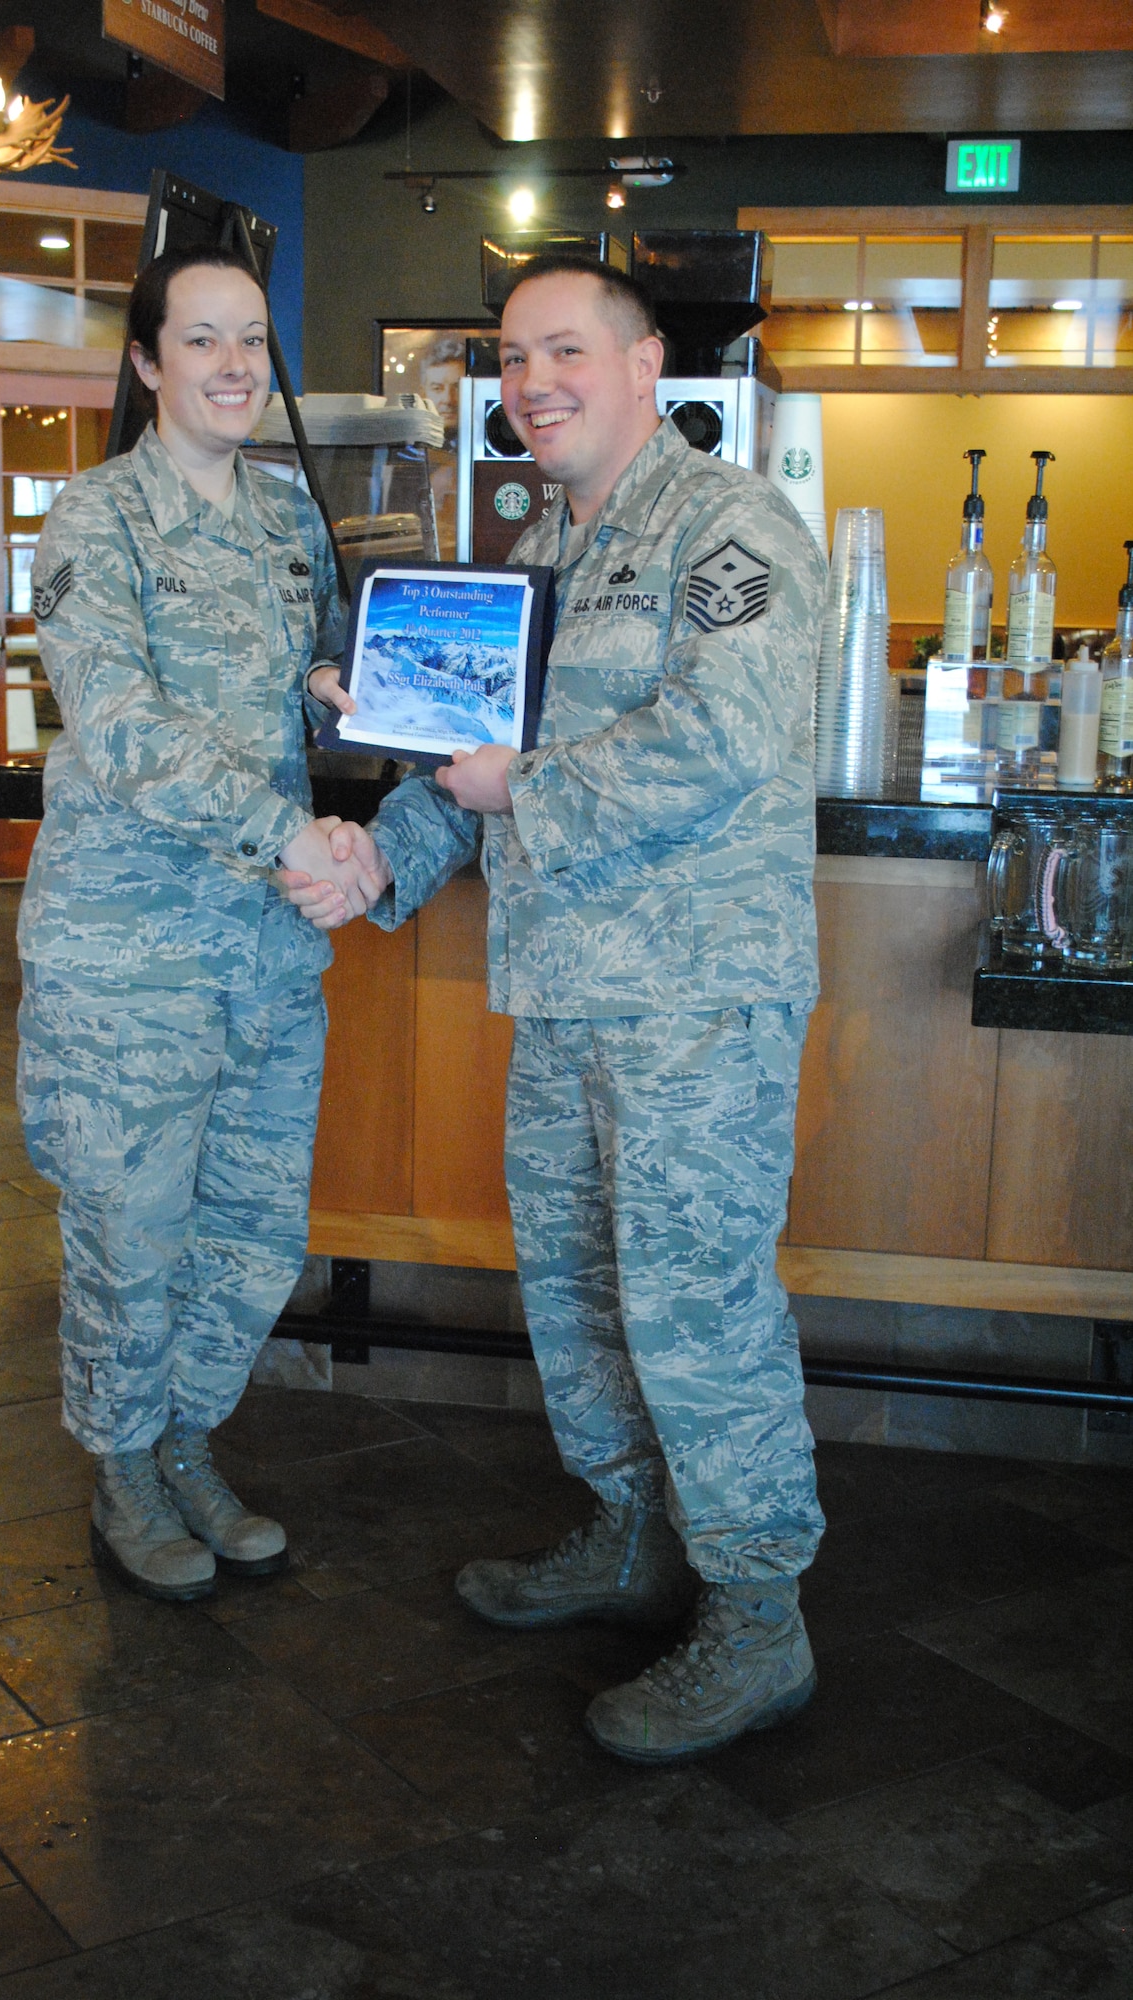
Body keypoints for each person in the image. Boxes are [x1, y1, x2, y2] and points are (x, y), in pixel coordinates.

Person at [289, 255, 827, 1762]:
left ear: (646, 362)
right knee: (583, 1294)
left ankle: (757, 1617)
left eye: (566, 351)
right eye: (516, 358)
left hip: (695, 1004)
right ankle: (630, 1537)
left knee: (699, 1310)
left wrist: (520, 784)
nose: (535, 383)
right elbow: (469, 762)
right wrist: (371, 860)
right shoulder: (545, 543)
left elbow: (724, 739)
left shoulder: (729, 529)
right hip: (571, 993)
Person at [16, 245, 382, 1602]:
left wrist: (362, 694)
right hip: (128, 959)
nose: (236, 366)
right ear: (148, 363)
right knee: (132, 1230)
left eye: (253, 341)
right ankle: (121, 1474)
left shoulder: (288, 521)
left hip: (267, 957)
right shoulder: (91, 523)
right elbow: (119, 728)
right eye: (205, 341)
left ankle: (187, 1445)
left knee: (250, 1230)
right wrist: (293, 833)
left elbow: (312, 681)